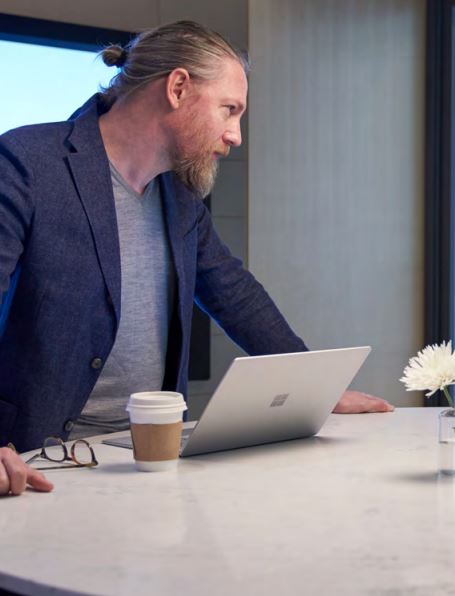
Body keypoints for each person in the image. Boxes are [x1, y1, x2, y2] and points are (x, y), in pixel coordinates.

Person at [0, 21, 392, 496]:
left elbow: (233, 292)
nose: (236, 135)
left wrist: (315, 388)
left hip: (146, 456)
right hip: (38, 461)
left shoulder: (180, 193)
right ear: (178, 87)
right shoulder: (25, 161)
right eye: (230, 110)